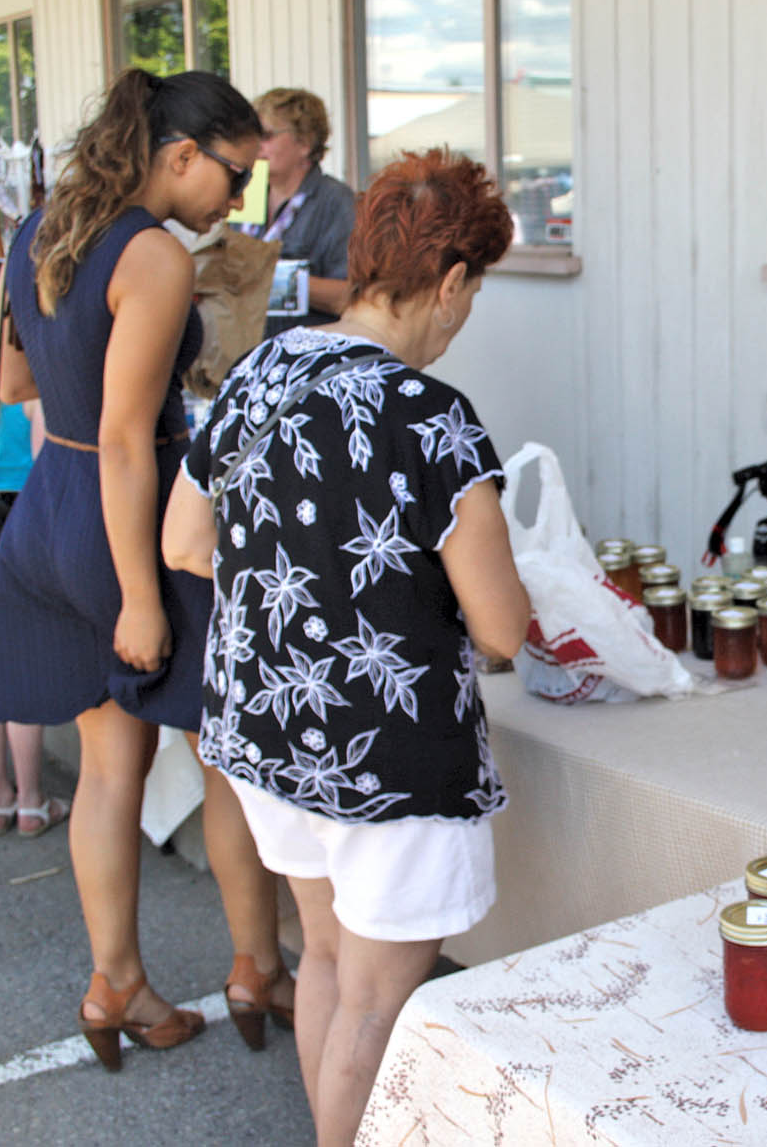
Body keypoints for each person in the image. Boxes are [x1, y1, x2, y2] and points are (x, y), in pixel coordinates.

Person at [163, 147, 529, 1145]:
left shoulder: (260, 370)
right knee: (378, 996)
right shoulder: (433, 419)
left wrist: (302, 577)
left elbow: (183, 541)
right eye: (472, 292)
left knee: (325, 959)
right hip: (388, 758)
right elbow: (501, 627)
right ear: (450, 282)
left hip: (263, 730)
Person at [0, 68, 293, 1070]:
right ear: (179, 156)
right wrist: (137, 595)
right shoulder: (155, 254)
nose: (240, 201)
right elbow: (129, 438)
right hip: (135, 520)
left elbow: (10, 379)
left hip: (50, 508)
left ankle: (115, 980)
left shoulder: (42, 228)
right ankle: (257, 967)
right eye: (236, 176)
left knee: (110, 767)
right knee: (225, 754)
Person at [0, 395, 61, 837]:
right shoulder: (27, 379)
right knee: (22, 659)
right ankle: (32, 802)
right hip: (20, 509)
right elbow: (46, 458)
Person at [235, 87, 355, 338]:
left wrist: (275, 279)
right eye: (252, 135)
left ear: (305, 142)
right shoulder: (244, 193)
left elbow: (353, 295)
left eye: (266, 136)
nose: (256, 146)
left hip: (305, 360)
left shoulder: (336, 201)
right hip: (246, 351)